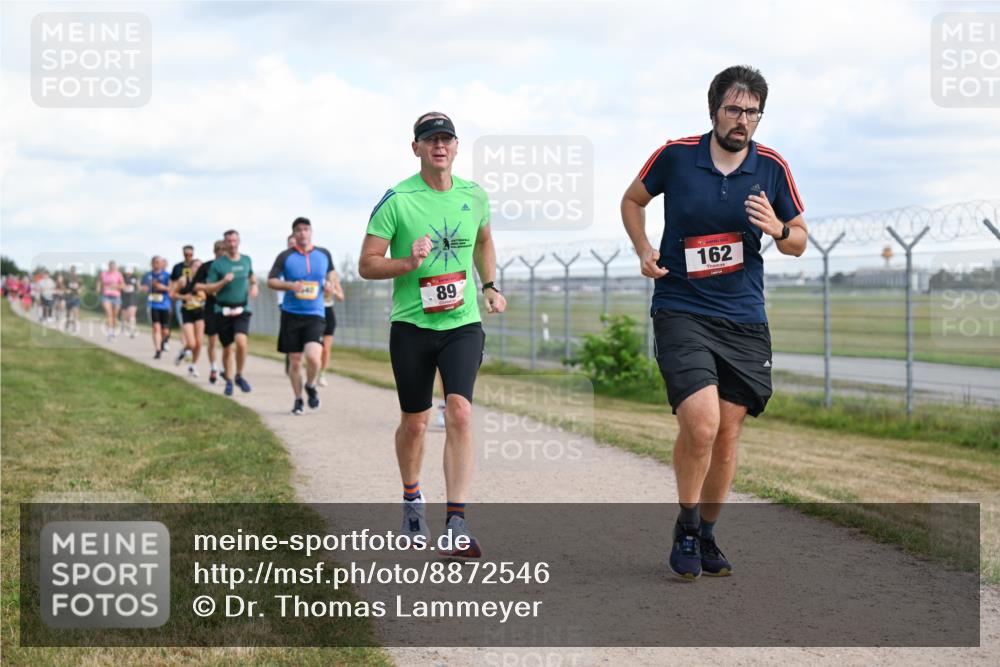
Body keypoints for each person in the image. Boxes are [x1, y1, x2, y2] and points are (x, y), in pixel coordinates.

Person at [621, 65, 807, 580]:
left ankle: (706, 532)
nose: (743, 119)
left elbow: (798, 240)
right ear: (714, 110)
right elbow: (632, 200)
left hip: (743, 316)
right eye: (734, 109)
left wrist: (778, 229)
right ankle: (685, 526)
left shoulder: (772, 167)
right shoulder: (676, 155)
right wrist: (643, 247)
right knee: (701, 423)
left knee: (727, 433)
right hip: (681, 306)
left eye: (753, 112)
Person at [359, 111, 506, 559]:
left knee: (459, 411)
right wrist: (408, 262)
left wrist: (489, 284)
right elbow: (367, 264)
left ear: (456, 147)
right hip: (412, 325)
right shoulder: (397, 200)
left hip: (461, 323)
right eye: (430, 140)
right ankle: (411, 501)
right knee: (416, 421)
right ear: (416, 148)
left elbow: (483, 240)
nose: (439, 146)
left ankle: (457, 523)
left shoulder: (474, 195)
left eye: (446, 139)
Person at [268, 218, 337, 414]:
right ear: (294, 234)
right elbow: (271, 281)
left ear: (311, 232)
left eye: (306, 229)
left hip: (315, 314)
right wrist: (289, 285)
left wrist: (330, 283)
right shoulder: (285, 256)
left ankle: (311, 385)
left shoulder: (323, 254)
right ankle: (298, 400)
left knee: (314, 358)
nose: (302, 233)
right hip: (291, 314)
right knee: (295, 360)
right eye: (298, 230)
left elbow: (332, 273)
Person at [200, 230, 258, 397]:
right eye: (229, 241)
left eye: (234, 241)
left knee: (241, 342)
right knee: (227, 349)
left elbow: (252, 277)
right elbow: (209, 289)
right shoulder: (218, 265)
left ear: (239, 241)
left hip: (242, 309)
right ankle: (229, 380)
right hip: (222, 310)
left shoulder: (246, 260)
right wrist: (223, 281)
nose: (232, 244)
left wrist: (254, 286)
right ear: (224, 244)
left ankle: (239, 375)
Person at [192, 240, 226, 384]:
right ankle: (213, 368)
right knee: (213, 340)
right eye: (219, 250)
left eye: (224, 250)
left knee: (227, 341)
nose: (222, 253)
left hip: (227, 306)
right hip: (211, 306)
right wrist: (208, 289)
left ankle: (225, 368)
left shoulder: (231, 266)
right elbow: (195, 285)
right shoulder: (206, 267)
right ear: (215, 251)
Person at [172, 258, 206, 377]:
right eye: (196, 266)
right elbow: (173, 294)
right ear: (190, 268)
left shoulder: (204, 280)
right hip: (187, 312)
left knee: (199, 342)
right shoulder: (183, 280)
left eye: (200, 266)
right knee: (191, 343)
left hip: (200, 312)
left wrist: (203, 295)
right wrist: (184, 297)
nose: (198, 268)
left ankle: (193, 366)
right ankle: (182, 352)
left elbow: (209, 295)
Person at [318, 251, 345, 387]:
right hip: (315, 312)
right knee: (315, 347)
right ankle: (313, 369)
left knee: (326, 349)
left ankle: (322, 374)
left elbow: (341, 297)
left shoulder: (333, 278)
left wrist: (332, 290)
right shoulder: (314, 274)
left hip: (328, 312)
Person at [140, 257, 173, 359]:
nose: (156, 264)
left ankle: (163, 342)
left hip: (165, 304)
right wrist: (146, 288)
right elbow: (142, 288)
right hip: (153, 305)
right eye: (154, 262)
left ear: (161, 263)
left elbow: (172, 289)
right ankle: (158, 350)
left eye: (158, 262)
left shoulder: (167, 275)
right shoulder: (147, 275)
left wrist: (162, 287)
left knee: (165, 331)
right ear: (151, 263)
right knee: (156, 327)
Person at [170, 245, 196, 362]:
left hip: (195, 300)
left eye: (190, 255)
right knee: (183, 326)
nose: (188, 257)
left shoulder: (196, 267)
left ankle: (188, 348)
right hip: (181, 300)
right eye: (186, 255)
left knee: (194, 328)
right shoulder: (177, 267)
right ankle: (187, 350)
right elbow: (172, 283)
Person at [97, 261, 125, 340]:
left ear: (116, 267)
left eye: (114, 266)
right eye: (111, 266)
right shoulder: (103, 274)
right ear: (109, 266)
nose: (112, 267)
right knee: (109, 314)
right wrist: (98, 287)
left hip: (116, 297)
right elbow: (99, 281)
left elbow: (123, 286)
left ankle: (113, 331)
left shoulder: (119, 274)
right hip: (106, 296)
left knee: (114, 316)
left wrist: (116, 286)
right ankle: (110, 333)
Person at [120, 270, 139, 338]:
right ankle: (123, 326)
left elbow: (138, 287)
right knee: (124, 316)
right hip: (124, 298)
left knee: (132, 314)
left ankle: (132, 330)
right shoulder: (122, 277)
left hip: (132, 298)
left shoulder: (135, 277)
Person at [64, 267, 82, 333]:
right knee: (68, 314)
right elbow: (63, 287)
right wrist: (66, 290)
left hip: (76, 298)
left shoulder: (79, 279)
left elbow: (82, 286)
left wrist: (80, 290)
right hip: (68, 298)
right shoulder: (67, 279)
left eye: (74, 271)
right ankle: (67, 324)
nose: (73, 272)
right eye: (71, 271)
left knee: (75, 313)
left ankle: (75, 327)